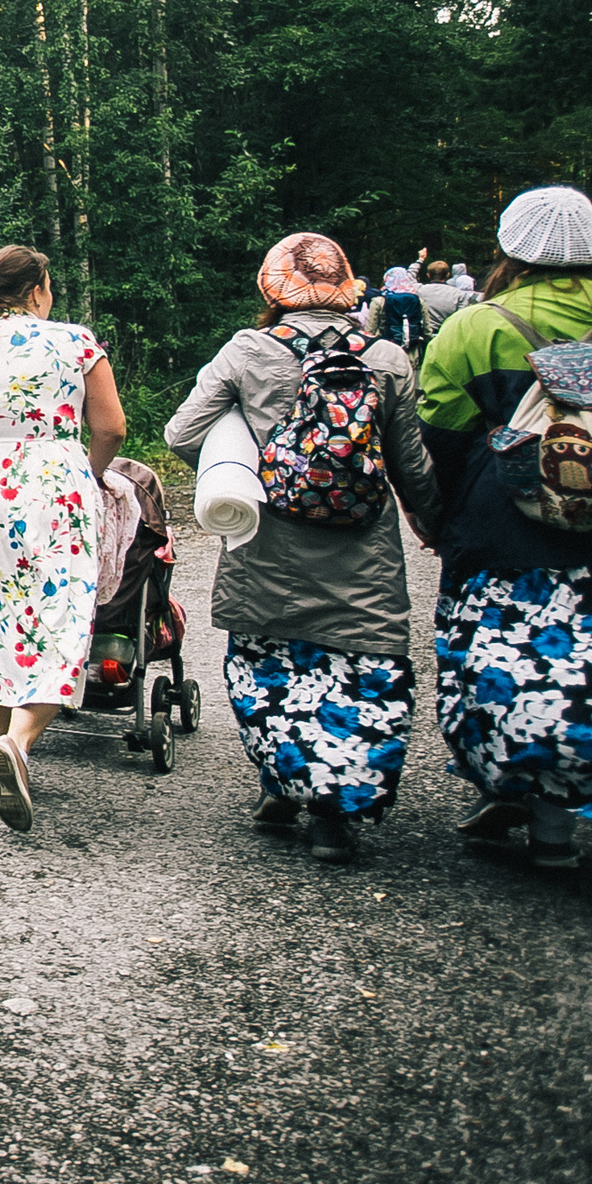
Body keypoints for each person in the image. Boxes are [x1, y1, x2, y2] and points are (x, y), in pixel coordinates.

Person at [167, 233, 441, 863]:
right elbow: (412, 465)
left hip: (268, 547)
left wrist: (243, 467)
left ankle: (280, 786)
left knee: (271, 670)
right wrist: (432, 521)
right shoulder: (389, 358)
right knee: (356, 673)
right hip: (363, 553)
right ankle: (333, 813)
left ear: (272, 290)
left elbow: (183, 432)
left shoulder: (248, 351)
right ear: (349, 289)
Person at [418, 184, 592, 870]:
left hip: (503, 520)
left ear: (509, 247)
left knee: (502, 661)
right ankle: (556, 812)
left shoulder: (476, 327)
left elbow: (439, 435)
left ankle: (513, 785)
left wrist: (434, 516)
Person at [0, 246, 127, 833]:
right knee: (59, 615)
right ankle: (17, 742)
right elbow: (110, 426)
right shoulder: (74, 342)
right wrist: (86, 474)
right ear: (36, 289)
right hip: (50, 485)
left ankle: (6, 747)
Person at [370, 267, 431, 352]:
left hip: (386, 350)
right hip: (413, 349)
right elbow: (426, 330)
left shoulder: (379, 301)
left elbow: (370, 331)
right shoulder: (418, 301)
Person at [415, 259, 473, 333]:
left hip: (423, 334)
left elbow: (410, 277)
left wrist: (420, 260)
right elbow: (461, 317)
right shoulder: (458, 294)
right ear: (448, 275)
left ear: (428, 275)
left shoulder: (418, 290)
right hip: (447, 333)